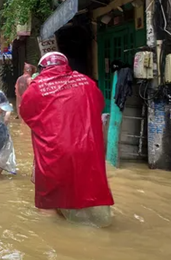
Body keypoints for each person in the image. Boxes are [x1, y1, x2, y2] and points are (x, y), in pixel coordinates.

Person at [19, 52, 114, 227]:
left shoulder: (36, 87)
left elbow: (26, 114)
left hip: (54, 153)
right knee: (88, 193)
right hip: (88, 150)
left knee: (49, 203)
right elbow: (99, 105)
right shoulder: (87, 82)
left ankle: (56, 242)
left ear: (42, 68)